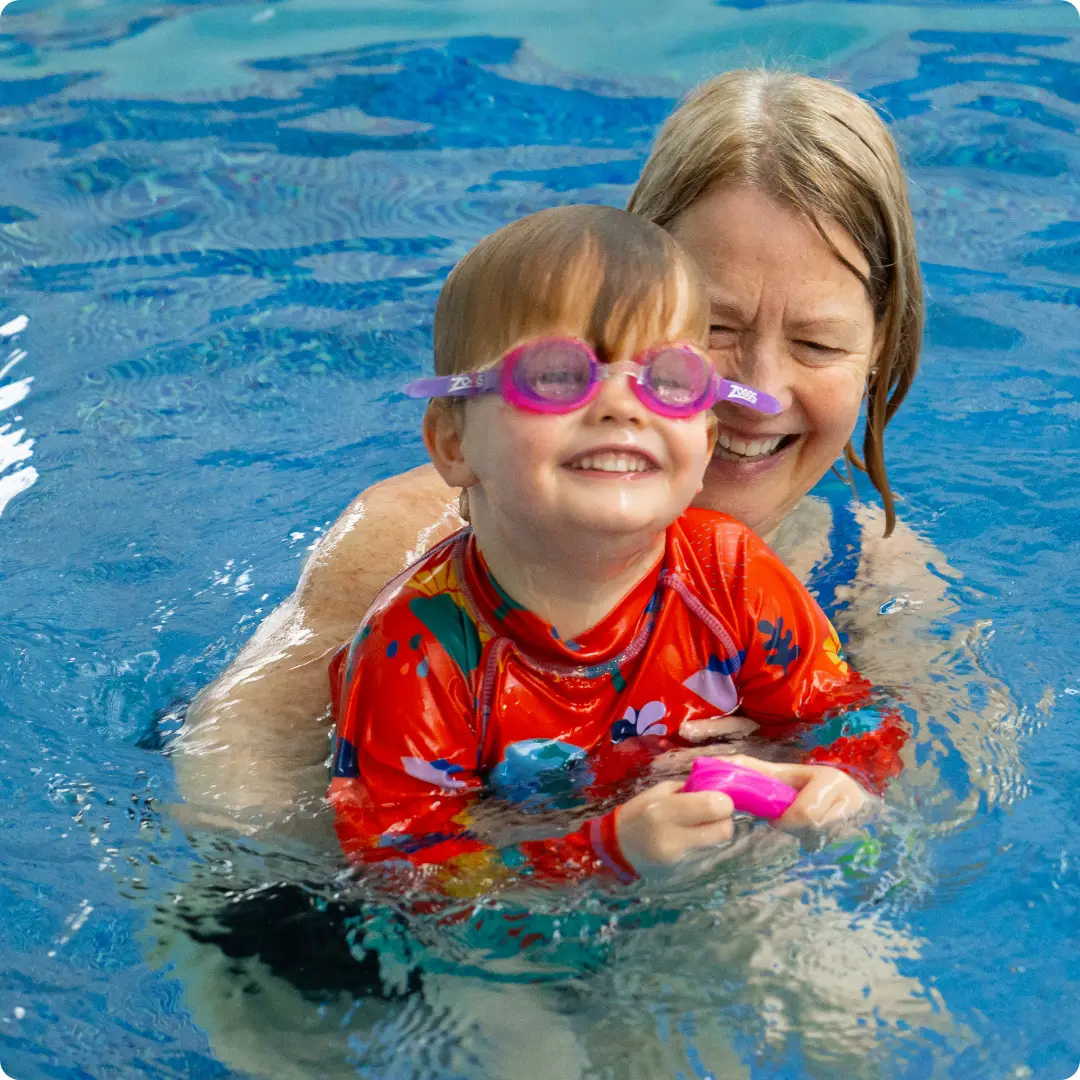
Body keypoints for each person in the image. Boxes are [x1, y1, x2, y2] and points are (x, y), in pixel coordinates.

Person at [173, 70, 943, 840]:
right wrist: (581, 839)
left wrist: (800, 788)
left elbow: (932, 809)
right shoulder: (409, 544)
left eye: (818, 344)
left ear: (880, 350)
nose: (759, 391)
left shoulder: (866, 571)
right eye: (715, 329)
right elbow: (237, 804)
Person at [327, 204, 904, 883]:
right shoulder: (417, 651)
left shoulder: (732, 576)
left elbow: (850, 719)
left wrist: (837, 778)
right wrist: (598, 852)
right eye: (557, 375)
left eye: (671, 381)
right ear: (453, 443)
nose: (622, 406)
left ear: (705, 443)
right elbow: (396, 870)